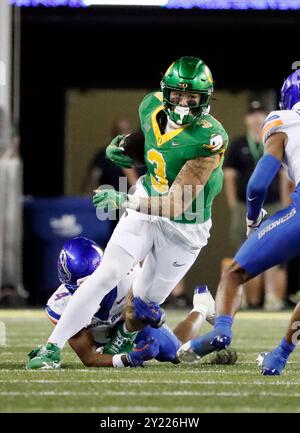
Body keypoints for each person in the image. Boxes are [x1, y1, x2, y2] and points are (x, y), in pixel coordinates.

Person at [27, 56, 229, 368]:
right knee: (106, 273)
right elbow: (150, 142)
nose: (184, 103)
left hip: (184, 224)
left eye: (192, 97)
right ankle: (50, 350)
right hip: (147, 198)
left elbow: (176, 203)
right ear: (165, 91)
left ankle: (200, 309)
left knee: (142, 306)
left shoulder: (209, 137)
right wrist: (125, 147)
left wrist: (125, 200)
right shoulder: (150, 105)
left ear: (206, 99)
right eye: (177, 94)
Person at [176, 69, 300, 376]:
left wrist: (252, 217)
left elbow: (257, 185)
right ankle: (279, 356)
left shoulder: (282, 121)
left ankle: (222, 329)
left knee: (234, 273)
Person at [27, 237, 237, 369]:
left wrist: (153, 315)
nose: (95, 287)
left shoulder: (127, 276)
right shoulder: (60, 305)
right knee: (109, 356)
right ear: (71, 285)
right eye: (86, 284)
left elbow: (150, 311)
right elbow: (89, 356)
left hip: (132, 325)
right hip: (103, 341)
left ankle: (201, 307)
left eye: (99, 277)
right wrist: (126, 359)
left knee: (176, 354)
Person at [223, 101, 289, 311]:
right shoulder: (238, 143)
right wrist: (233, 203)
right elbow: (229, 176)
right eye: (252, 114)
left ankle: (272, 296)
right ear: (246, 119)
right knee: (241, 250)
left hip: (273, 202)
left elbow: (283, 174)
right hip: (245, 204)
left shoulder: (275, 138)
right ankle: (239, 296)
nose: (257, 118)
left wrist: (287, 202)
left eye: (261, 113)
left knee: (274, 249)